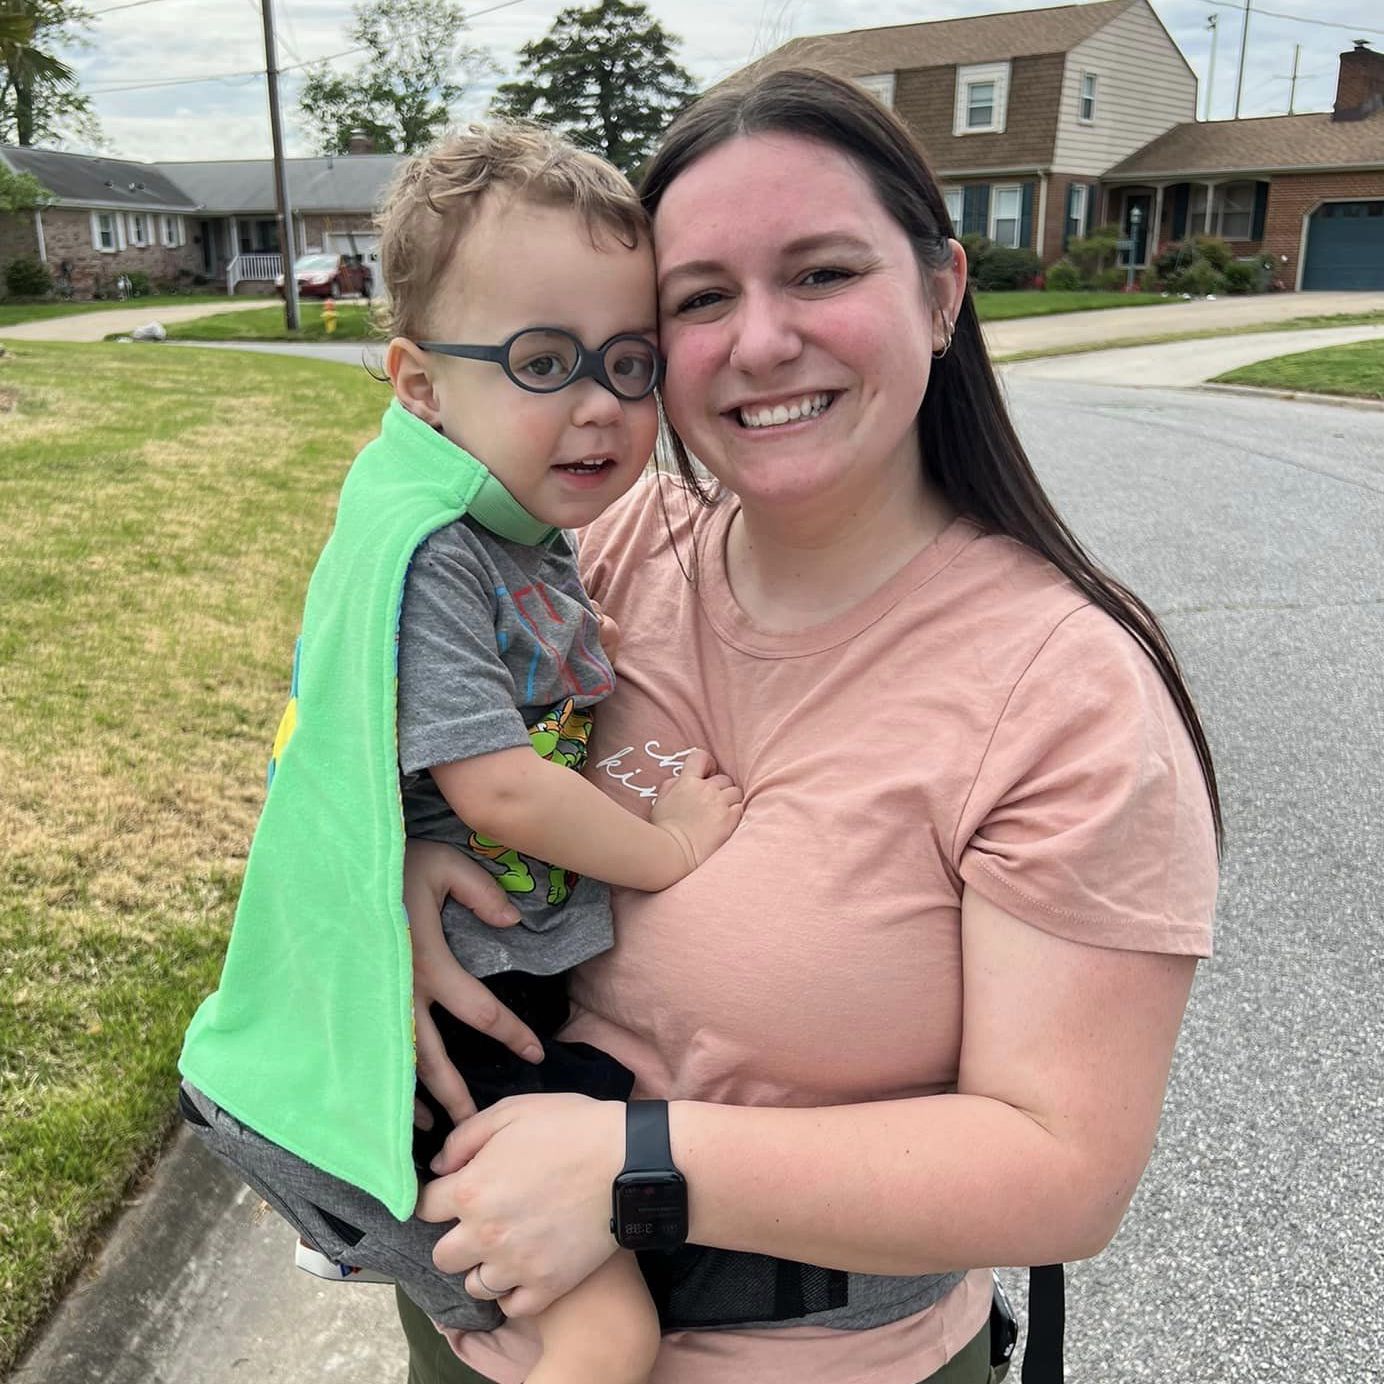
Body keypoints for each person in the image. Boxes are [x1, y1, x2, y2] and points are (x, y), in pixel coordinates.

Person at [393, 68, 1222, 1384]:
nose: (761, 341)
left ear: (943, 292)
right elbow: (414, 731)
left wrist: (636, 1171)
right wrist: (414, 859)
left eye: (823, 273)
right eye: (701, 299)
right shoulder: (605, 552)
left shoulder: (1063, 693)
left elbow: (1065, 1171)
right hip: (477, 1320)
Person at [176, 124, 744, 1384]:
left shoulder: (516, 530)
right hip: (436, 1036)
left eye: (629, 360)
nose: (599, 401)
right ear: (420, 385)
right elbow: (492, 782)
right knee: (607, 1333)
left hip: (505, 1001)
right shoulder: (437, 554)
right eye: (543, 360)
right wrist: (667, 848)